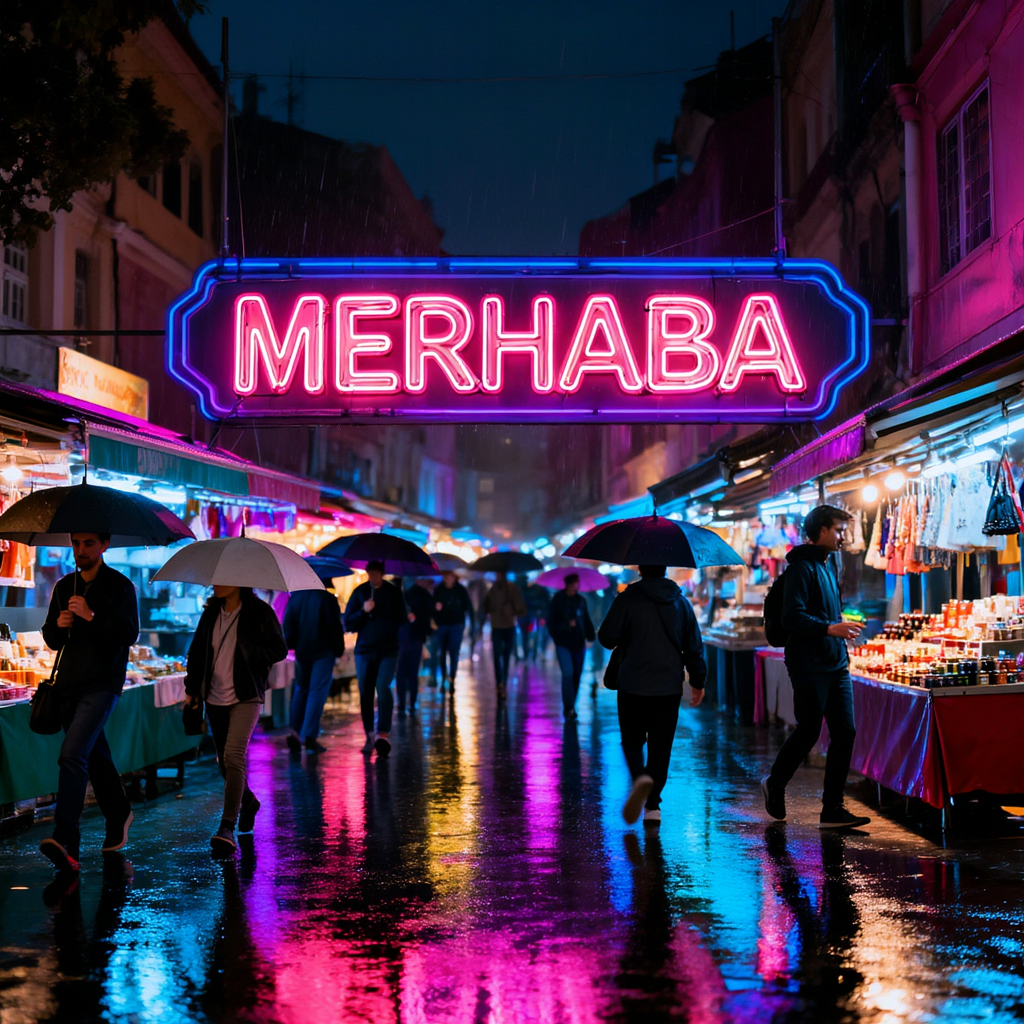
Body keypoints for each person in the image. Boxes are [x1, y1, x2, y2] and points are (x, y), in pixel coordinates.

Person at [761, 505, 870, 829]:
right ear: (820, 531)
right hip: (808, 663)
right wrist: (829, 628)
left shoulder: (826, 565)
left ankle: (832, 809)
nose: (842, 537)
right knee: (809, 730)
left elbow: (822, 611)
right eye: (838, 530)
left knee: (845, 731)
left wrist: (840, 627)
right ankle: (775, 782)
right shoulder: (801, 569)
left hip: (835, 662)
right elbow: (791, 617)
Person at [39, 532, 139, 874]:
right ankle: (120, 811)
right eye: (76, 543)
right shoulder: (65, 587)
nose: (80, 551)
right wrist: (58, 625)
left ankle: (66, 840)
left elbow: (128, 634)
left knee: (72, 754)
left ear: (104, 544)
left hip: (102, 684)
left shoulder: (121, 586)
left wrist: (91, 617)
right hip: (68, 684)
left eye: (88, 544)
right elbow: (52, 639)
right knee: (94, 755)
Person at [598, 564, 707, 827]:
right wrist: (698, 681)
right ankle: (653, 805)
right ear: (665, 569)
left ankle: (640, 778)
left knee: (633, 741)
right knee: (661, 746)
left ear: (640, 569)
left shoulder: (627, 599)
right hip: (668, 686)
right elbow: (693, 647)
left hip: (632, 683)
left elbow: (606, 637)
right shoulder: (681, 602)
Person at [184, 584, 287, 857]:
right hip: (214, 697)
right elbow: (196, 653)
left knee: (233, 757)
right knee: (223, 762)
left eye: (222, 577)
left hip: (246, 694)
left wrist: (251, 653)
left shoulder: (259, 612)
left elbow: (279, 648)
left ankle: (226, 827)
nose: (216, 583)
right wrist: (191, 689)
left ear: (238, 580)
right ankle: (248, 802)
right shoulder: (211, 612)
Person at [344, 561, 408, 757]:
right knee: (366, 693)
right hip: (364, 650)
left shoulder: (394, 592)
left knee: (383, 686)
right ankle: (369, 734)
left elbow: (402, 619)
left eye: (376, 574)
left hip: (388, 650)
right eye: (370, 574)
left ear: (382, 574)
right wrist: (364, 611)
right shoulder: (360, 592)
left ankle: (383, 733)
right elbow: (348, 623)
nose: (373, 578)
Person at [283, 583, 346, 754]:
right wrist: (339, 649)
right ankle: (309, 735)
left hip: (303, 651)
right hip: (323, 652)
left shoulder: (296, 596)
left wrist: (292, 644)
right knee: (317, 691)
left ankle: (295, 732)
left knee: (301, 690)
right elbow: (335, 626)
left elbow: (288, 623)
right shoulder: (326, 598)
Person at [547, 574, 595, 719]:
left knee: (576, 675)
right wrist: (566, 625)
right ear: (568, 584)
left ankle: (572, 706)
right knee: (568, 673)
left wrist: (590, 636)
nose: (577, 585)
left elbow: (586, 619)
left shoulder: (581, 600)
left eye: (577, 583)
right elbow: (552, 622)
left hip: (578, 643)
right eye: (574, 583)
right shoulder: (558, 599)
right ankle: (568, 707)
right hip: (563, 643)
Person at [482, 570, 526, 700]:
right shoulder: (493, 589)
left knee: (506, 655)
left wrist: (511, 609)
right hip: (497, 626)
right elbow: (486, 606)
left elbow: (520, 608)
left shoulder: (512, 589)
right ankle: (499, 683)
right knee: (497, 656)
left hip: (508, 626)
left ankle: (503, 683)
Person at [432, 570, 475, 691]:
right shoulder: (439, 589)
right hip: (442, 624)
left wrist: (472, 625)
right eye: (446, 576)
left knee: (454, 652)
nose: (448, 579)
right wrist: (436, 609)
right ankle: (444, 678)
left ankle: (452, 678)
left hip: (456, 625)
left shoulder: (460, 590)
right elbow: (432, 607)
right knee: (442, 653)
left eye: (450, 576)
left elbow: (468, 607)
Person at [397, 577, 434, 713]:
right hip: (404, 639)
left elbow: (428, 613)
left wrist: (416, 618)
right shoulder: (398, 593)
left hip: (413, 638)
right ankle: (404, 703)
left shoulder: (420, 594)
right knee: (404, 673)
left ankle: (410, 703)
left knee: (410, 672)